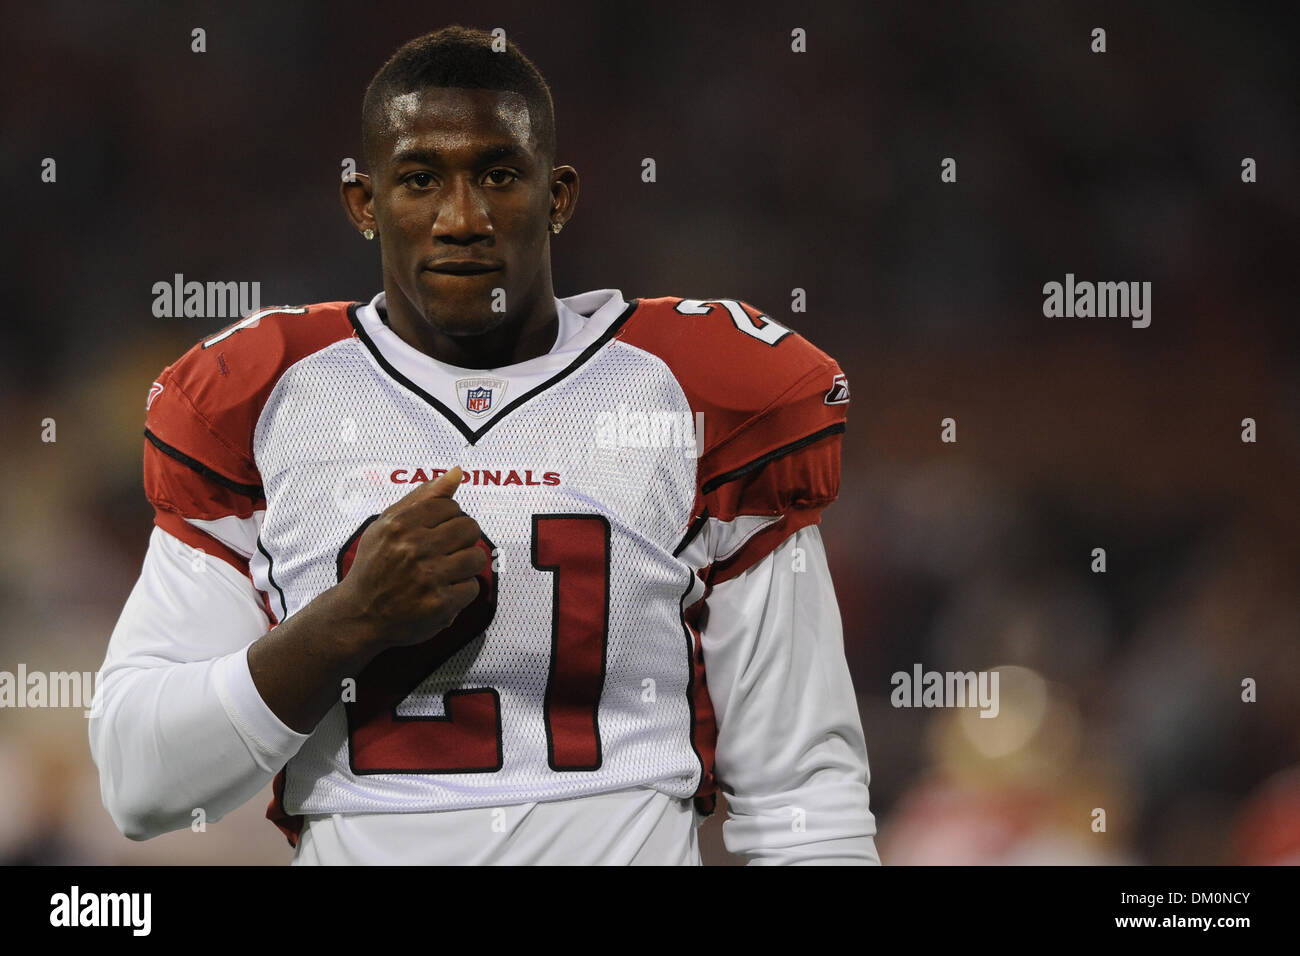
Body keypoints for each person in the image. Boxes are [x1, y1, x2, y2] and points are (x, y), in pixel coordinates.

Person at [89, 25, 879, 865]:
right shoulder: (265, 398)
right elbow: (143, 785)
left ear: (558, 194)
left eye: (498, 175)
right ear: (363, 202)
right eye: (421, 178)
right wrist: (344, 626)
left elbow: (802, 795)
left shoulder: (691, 392)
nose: (461, 219)